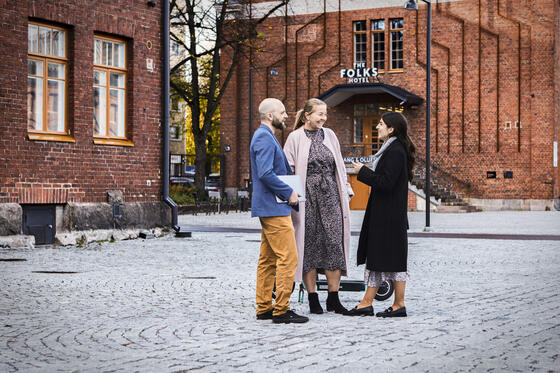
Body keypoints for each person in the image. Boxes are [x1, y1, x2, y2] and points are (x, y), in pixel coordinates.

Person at [283, 98, 353, 314]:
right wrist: (290, 195)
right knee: (309, 246)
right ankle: (313, 298)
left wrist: (347, 189)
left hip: (331, 196)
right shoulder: (295, 137)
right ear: (307, 115)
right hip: (307, 199)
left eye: (325, 114)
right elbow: (288, 169)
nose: (323, 118)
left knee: (334, 243)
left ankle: (334, 297)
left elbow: (339, 165)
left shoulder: (330, 135)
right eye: (319, 114)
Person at [345, 111, 415, 317]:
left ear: (391, 129)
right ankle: (367, 303)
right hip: (386, 216)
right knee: (380, 259)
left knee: (392, 260)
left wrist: (363, 172)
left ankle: (398, 304)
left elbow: (386, 182)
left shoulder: (394, 151)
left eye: (381, 124)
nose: (377, 127)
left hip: (389, 218)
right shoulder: (391, 148)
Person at [250, 97, 309, 324]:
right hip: (273, 207)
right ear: (270, 116)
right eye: (282, 112)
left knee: (268, 259)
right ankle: (281, 309)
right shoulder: (264, 137)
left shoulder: (265, 136)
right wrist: (288, 192)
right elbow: (265, 173)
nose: (287, 115)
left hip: (270, 206)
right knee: (288, 257)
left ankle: (265, 307)